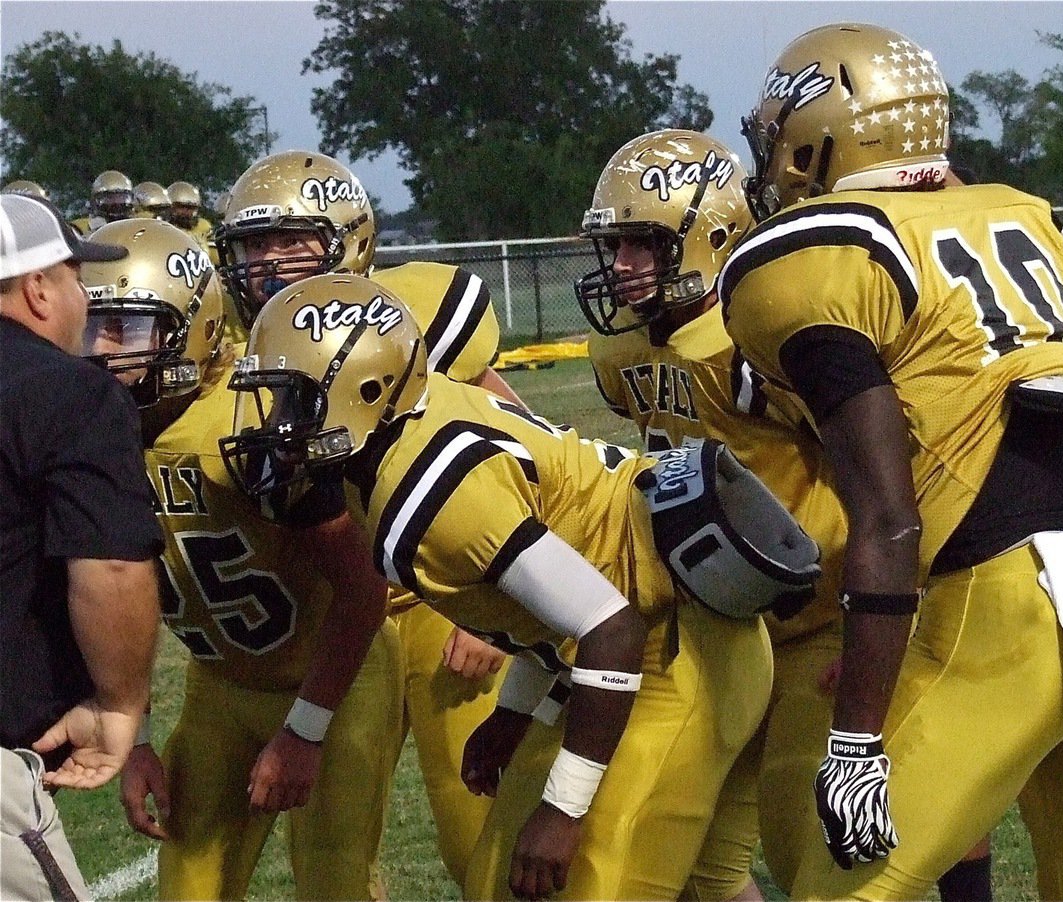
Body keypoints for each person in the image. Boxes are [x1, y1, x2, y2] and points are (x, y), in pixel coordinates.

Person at [718, 22, 1063, 901]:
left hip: (1004, 607)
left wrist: (855, 746)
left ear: (818, 142)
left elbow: (888, 515)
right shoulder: (1016, 219)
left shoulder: (811, 262)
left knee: (834, 892)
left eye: (780, 136)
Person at [218, 272, 823, 900]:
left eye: (295, 400)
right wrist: (511, 713)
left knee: (593, 884)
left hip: (672, 650)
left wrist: (563, 810)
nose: (277, 423)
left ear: (365, 388)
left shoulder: (435, 492)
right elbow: (556, 590)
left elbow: (607, 625)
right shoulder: (403, 431)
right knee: (499, 886)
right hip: (622, 648)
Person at [212, 149, 514, 889]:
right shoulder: (224, 337)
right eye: (254, 245)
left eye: (292, 241)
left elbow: (520, 448)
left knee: (477, 835)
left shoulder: (408, 317)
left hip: (444, 602)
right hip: (342, 614)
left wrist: (493, 608)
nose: (270, 263)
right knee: (335, 857)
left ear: (346, 240)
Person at [77, 216, 401, 901]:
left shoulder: (249, 419)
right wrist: (130, 739)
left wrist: (306, 732)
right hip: (220, 688)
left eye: (125, 328)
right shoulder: (83, 431)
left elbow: (362, 589)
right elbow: (92, 596)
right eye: (88, 325)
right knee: (188, 883)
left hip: (331, 683)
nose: (98, 351)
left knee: (332, 882)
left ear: (187, 328)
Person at [577, 127, 848, 901]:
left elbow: (875, 463)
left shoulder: (754, 337)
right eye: (616, 246)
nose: (621, 266)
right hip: (725, 627)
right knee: (702, 866)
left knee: (811, 853)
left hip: (817, 623)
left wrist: (883, 606)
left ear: (710, 237)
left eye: (642, 245)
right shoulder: (623, 353)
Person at [0, 193, 162, 901]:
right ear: (38, 288)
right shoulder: (68, 393)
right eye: (72, 277)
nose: (81, 298)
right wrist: (121, 704)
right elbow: (114, 567)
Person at [71, 170, 135, 235]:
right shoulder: (82, 228)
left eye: (121, 197)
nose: (116, 202)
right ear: (96, 201)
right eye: (109, 198)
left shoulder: (137, 224)